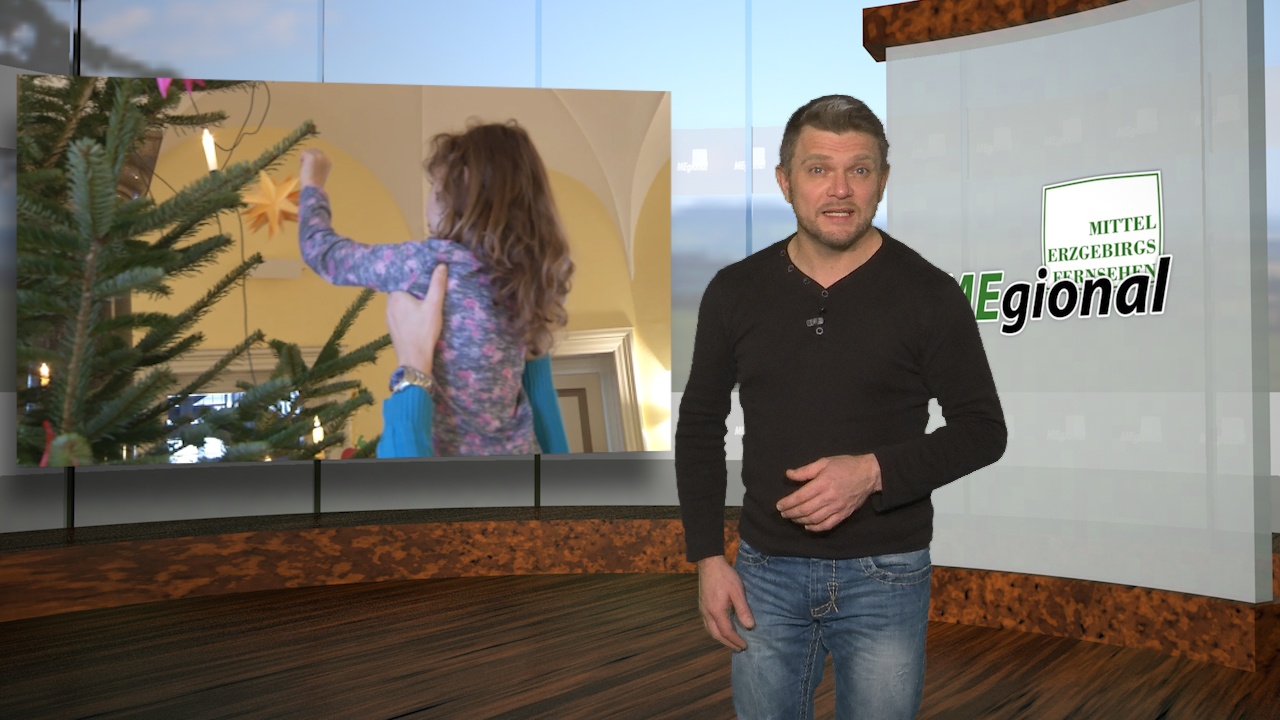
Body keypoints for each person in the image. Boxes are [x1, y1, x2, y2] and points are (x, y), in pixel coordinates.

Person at [675, 95, 1007, 719]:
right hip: (763, 573)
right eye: (818, 169)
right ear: (785, 181)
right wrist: (708, 558)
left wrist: (872, 472)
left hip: (886, 575)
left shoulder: (930, 294)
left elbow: (984, 430)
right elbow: (698, 427)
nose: (840, 190)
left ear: (883, 180)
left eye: (859, 169)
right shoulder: (734, 291)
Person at [296, 121, 572, 457]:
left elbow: (325, 253)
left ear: (461, 191)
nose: (429, 200)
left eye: (435, 186)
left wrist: (312, 186)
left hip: (441, 466)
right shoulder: (529, 279)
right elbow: (538, 388)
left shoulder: (429, 264)